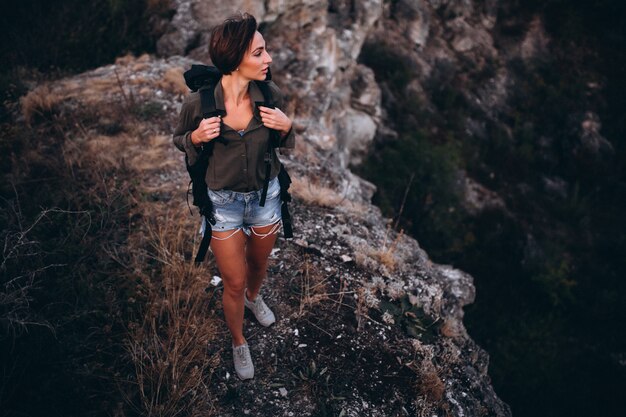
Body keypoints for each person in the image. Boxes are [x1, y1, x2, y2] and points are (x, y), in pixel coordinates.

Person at [173, 13, 295, 380]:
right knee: (234, 281)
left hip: (266, 198)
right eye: (259, 52)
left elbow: (285, 143)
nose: (268, 59)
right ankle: (239, 342)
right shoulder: (199, 104)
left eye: (266, 50)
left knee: (258, 267)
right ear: (236, 58)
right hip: (222, 204)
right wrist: (194, 138)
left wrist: (288, 128)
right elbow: (179, 139)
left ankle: (254, 300)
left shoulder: (269, 95)